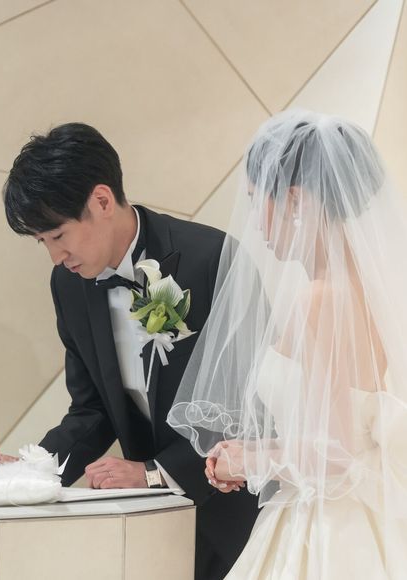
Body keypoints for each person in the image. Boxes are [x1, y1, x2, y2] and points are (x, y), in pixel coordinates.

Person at [0, 122, 259, 579]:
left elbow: (245, 402)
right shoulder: (69, 285)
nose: (55, 257)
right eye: (42, 242)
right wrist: (32, 470)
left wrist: (155, 472)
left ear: (102, 201)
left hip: (235, 516)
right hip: (149, 531)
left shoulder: (212, 258)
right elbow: (92, 409)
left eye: (58, 236)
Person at [168, 109, 407, 578]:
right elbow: (348, 430)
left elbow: (335, 456)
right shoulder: (372, 291)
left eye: (256, 199)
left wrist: (248, 461)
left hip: (329, 527)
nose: (255, 222)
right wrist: (258, 450)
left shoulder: (318, 300)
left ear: (295, 200)